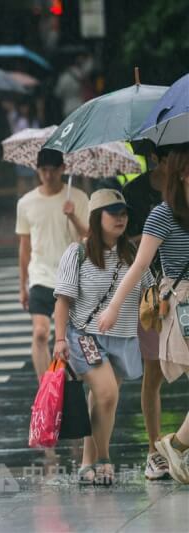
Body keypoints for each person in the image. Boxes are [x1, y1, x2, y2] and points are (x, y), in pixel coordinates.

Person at [98, 143, 189, 484]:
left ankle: (175, 447)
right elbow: (138, 266)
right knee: (152, 377)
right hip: (177, 302)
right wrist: (114, 306)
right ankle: (171, 448)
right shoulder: (162, 214)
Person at [54, 188, 153, 485]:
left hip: (122, 338)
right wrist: (59, 339)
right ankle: (104, 458)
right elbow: (62, 301)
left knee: (104, 400)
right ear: (98, 218)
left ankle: (87, 462)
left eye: (123, 213)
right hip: (86, 336)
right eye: (113, 213)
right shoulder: (78, 252)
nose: (120, 219)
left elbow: (148, 290)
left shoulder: (133, 253)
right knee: (108, 392)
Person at [16, 149, 89, 379]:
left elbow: (90, 236)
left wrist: (73, 216)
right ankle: (45, 388)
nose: (47, 175)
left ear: (62, 169)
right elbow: (25, 246)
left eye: (52, 170)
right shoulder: (26, 202)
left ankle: (66, 384)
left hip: (70, 277)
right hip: (40, 276)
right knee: (40, 333)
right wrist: (23, 285)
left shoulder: (78, 198)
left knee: (68, 337)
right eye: (43, 170)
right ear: (38, 171)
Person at [122, 145, 171, 480]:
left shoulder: (183, 188)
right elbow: (123, 241)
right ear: (157, 159)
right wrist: (152, 238)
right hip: (151, 294)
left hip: (182, 288)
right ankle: (155, 450)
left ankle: (178, 444)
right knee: (153, 372)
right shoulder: (135, 192)